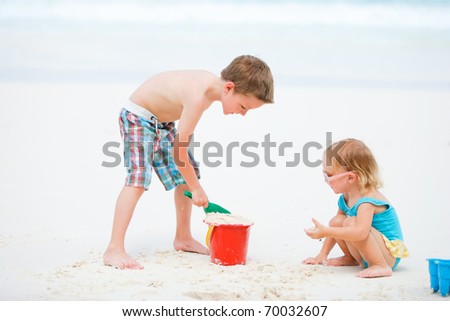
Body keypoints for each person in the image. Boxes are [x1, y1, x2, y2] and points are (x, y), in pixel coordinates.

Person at [103, 55, 274, 269]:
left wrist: (192, 181)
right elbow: (178, 152)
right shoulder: (198, 96)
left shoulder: (212, 89)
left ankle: (183, 238)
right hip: (137, 117)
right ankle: (114, 249)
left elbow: (182, 149)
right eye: (243, 106)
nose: (243, 114)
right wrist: (197, 188)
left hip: (161, 123)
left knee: (186, 172)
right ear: (229, 88)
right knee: (138, 180)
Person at [303, 138, 409, 278]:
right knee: (337, 221)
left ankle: (380, 266)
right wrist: (321, 255)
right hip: (367, 252)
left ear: (351, 178)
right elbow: (335, 229)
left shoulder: (367, 201)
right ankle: (351, 258)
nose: (326, 180)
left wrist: (325, 231)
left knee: (351, 223)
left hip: (388, 255)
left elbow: (360, 233)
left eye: (329, 175)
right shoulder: (345, 198)